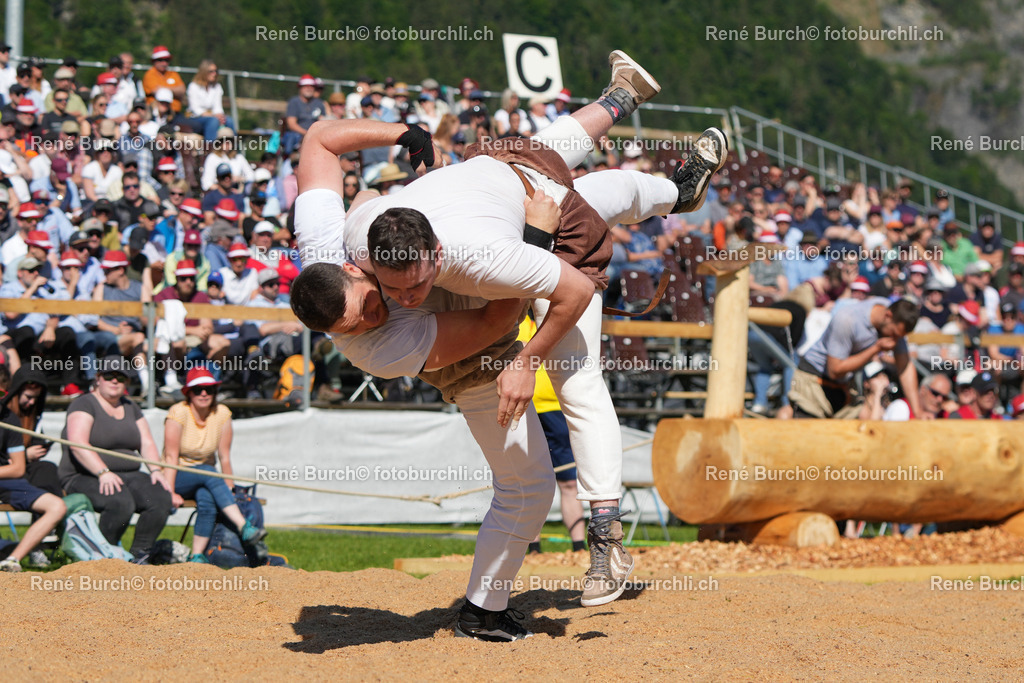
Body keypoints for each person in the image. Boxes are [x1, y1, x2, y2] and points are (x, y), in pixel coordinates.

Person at [289, 50, 725, 619]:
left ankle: (604, 534)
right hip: (471, 344)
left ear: (353, 266)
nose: (390, 309)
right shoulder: (374, 340)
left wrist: (408, 132)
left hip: (507, 196)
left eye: (375, 302)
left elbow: (321, 140)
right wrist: (531, 259)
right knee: (530, 483)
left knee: (577, 374)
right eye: (379, 306)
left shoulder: (355, 241)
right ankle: (657, 161)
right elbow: (494, 323)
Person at [59, 355, 172, 560]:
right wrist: (103, 472)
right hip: (83, 475)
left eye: (120, 377)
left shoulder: (130, 407)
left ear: (126, 382)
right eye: (109, 376)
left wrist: (156, 470)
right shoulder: (84, 404)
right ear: (98, 378)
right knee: (120, 502)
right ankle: (103, 556)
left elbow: (146, 442)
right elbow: (77, 443)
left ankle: (140, 555)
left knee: (160, 497)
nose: (114, 381)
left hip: (128, 474)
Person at [162, 367, 265, 562]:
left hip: (208, 479)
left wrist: (230, 487)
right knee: (208, 471)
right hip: (175, 476)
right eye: (198, 389)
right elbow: (170, 457)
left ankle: (197, 555)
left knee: (207, 500)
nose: (203, 393)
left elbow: (224, 456)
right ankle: (244, 526)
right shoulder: (178, 412)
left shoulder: (222, 414)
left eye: (209, 389)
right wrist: (170, 492)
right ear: (188, 393)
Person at [789, 298, 922, 418]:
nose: (895, 341)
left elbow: (905, 366)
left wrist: (917, 413)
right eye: (894, 334)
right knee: (810, 434)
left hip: (842, 386)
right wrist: (876, 348)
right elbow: (835, 370)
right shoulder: (848, 319)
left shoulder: (895, 316)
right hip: (813, 381)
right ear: (888, 315)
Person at [519, 316, 585, 554]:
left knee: (568, 482)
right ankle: (532, 549)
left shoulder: (558, 316)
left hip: (557, 409)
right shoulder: (512, 320)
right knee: (530, 483)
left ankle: (579, 548)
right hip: (523, 409)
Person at [0, 366, 66, 569]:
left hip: (6, 482)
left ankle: (12, 560)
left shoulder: (9, 419)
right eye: (28, 396)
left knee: (57, 505)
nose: (31, 403)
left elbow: (18, 468)